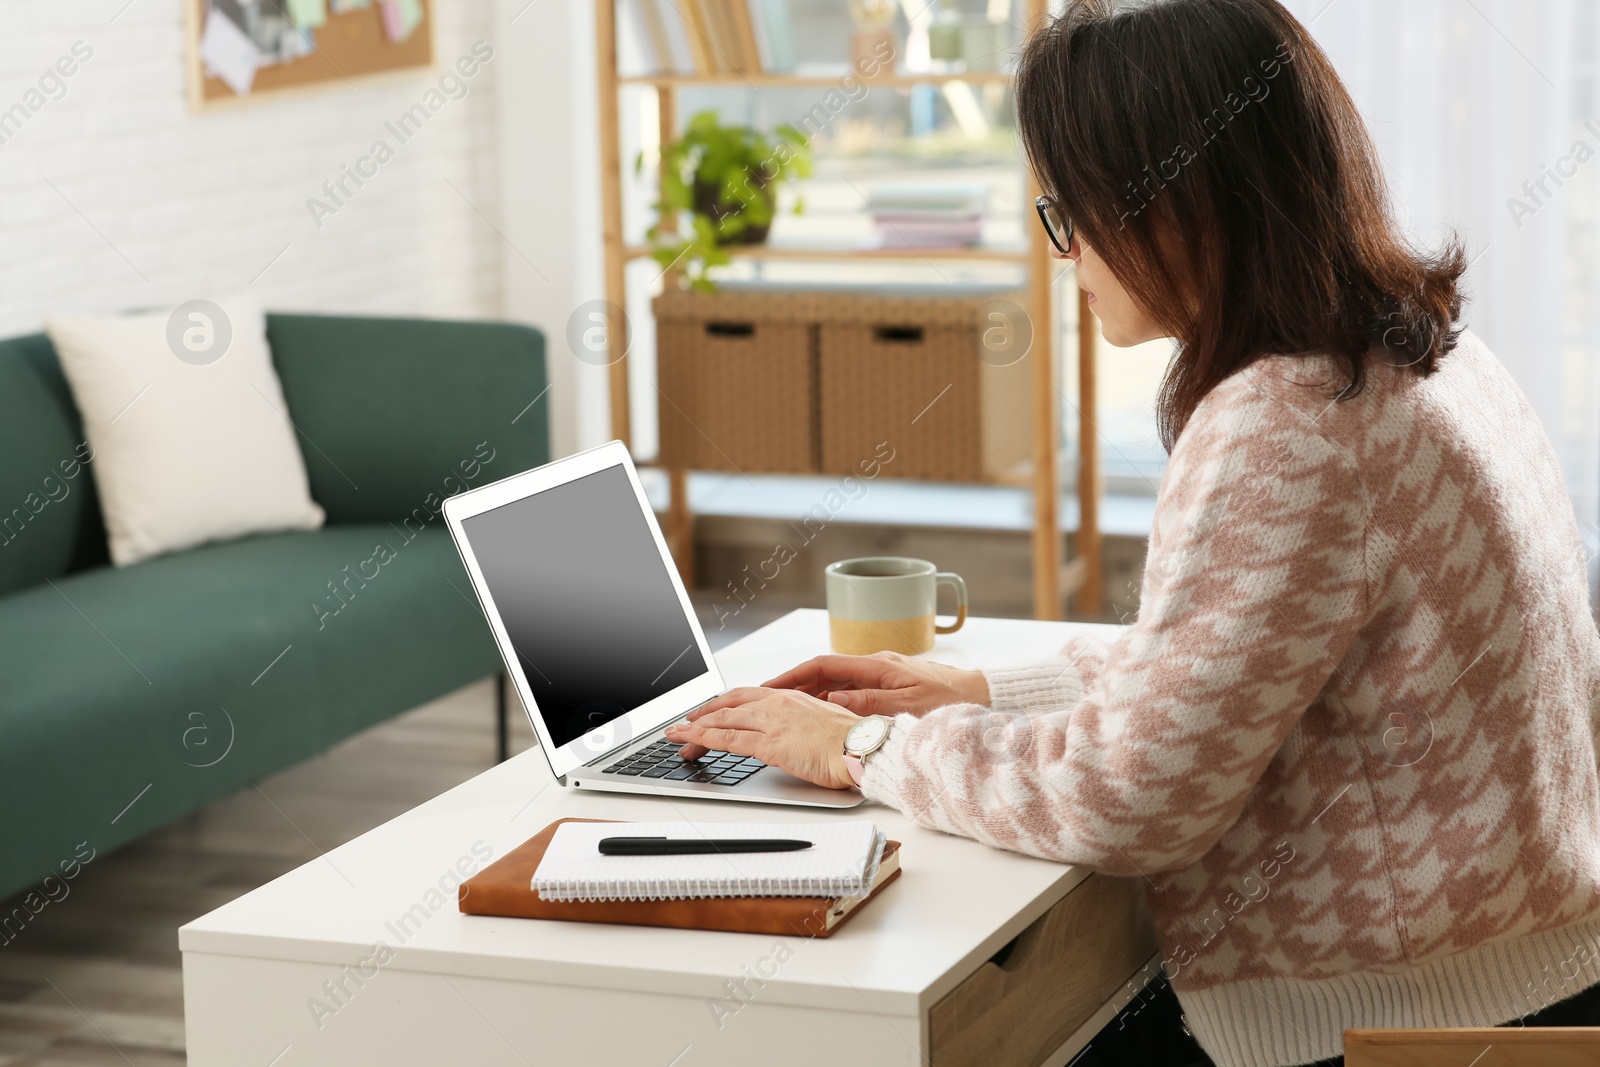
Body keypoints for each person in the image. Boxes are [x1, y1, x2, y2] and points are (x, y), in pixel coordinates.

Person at [664, 0, 1600, 1063]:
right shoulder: (1420, 354)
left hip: (1391, 1021)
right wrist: (985, 691)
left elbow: (1124, 805)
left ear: (1180, 203)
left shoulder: (1287, 425)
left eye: (1071, 212)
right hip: (1517, 969)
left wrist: (858, 747)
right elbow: (1244, 666)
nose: (1067, 254)